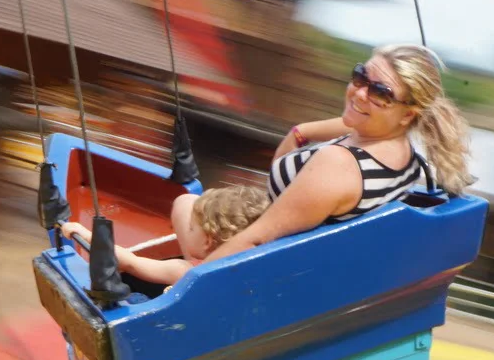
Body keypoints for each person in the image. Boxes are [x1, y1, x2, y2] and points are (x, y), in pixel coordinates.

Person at [198, 43, 474, 264]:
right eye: (360, 77)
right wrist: (299, 132)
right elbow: (345, 121)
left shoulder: (339, 164)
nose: (360, 93)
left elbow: (257, 240)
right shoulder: (400, 153)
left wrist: (187, 281)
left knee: (186, 206)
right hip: (286, 246)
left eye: (381, 92)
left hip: (263, 263)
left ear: (407, 116)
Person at [61, 184, 270, 287]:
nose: (187, 231)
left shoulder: (187, 271)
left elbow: (130, 263)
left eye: (191, 229)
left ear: (208, 241)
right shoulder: (260, 261)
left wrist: (88, 235)